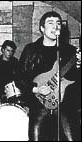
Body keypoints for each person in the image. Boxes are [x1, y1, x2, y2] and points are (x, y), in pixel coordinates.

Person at [19, 11, 81, 141]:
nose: (55, 26)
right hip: (39, 105)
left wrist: (80, 66)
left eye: (58, 23)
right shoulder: (31, 50)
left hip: (65, 107)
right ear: (42, 28)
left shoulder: (70, 51)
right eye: (50, 23)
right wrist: (35, 89)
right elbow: (19, 77)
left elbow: (77, 79)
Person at [0, 40, 22, 105]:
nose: (10, 53)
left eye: (12, 51)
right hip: (2, 95)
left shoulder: (16, 63)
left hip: (16, 93)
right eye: (8, 50)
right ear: (3, 50)